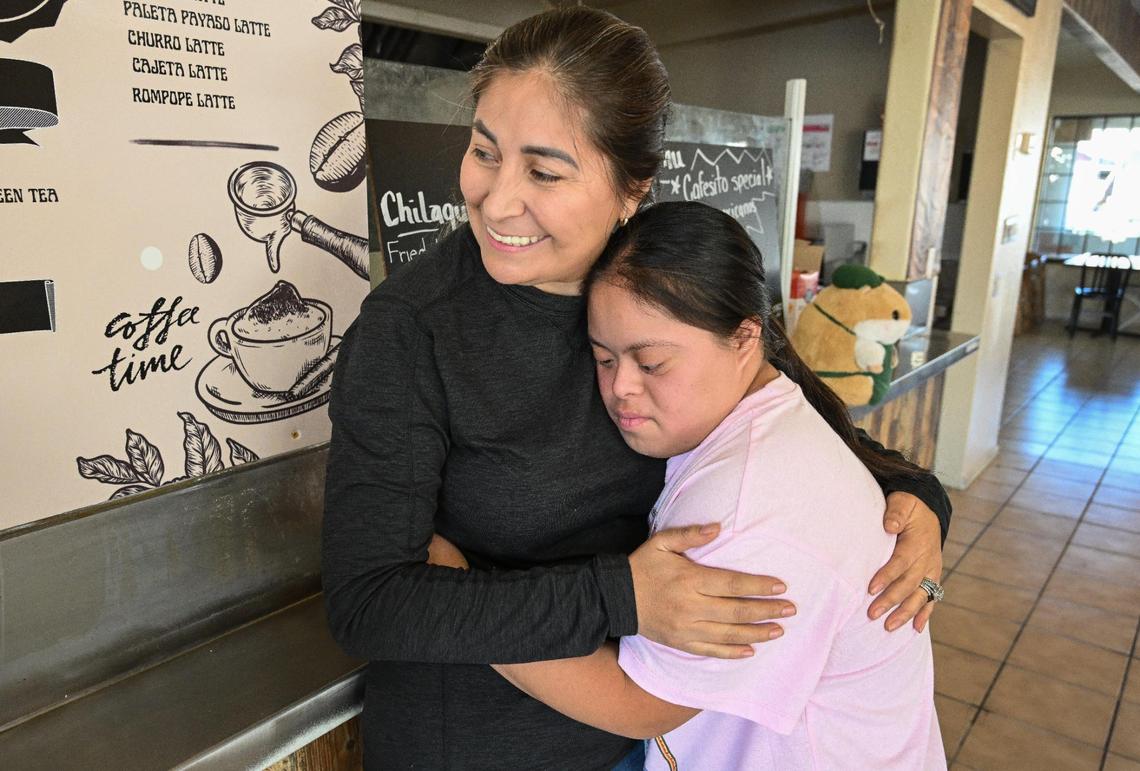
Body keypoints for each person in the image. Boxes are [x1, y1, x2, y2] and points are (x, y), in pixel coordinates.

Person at [321, 7, 951, 769]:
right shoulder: (413, 329)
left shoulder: (651, 283)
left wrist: (918, 498)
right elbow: (369, 603)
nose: (495, 199)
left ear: (631, 190)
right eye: (485, 152)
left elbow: (775, 406)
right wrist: (618, 595)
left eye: (545, 171)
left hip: (640, 747)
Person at [436, 201, 944, 769]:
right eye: (604, 360)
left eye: (651, 363)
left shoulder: (747, 505)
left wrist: (453, 589)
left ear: (746, 338)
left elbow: (639, 705)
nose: (621, 387)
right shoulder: (751, 423)